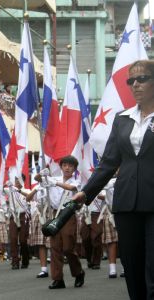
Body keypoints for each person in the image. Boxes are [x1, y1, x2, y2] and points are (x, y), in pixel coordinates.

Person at [72, 60, 154, 299]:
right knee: (133, 266)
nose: (135, 85)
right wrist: (86, 193)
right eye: (131, 81)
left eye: (142, 79)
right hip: (127, 203)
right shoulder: (122, 119)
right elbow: (108, 162)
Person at [36, 155, 85, 289]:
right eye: (65, 165)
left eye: (70, 166)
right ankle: (58, 279)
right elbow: (37, 179)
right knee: (55, 247)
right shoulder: (53, 178)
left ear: (74, 168)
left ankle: (78, 272)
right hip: (54, 214)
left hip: (68, 214)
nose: (67, 168)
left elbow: (71, 188)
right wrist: (42, 174)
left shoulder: (77, 180)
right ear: (61, 167)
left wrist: (53, 182)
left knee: (68, 247)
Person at [4, 176, 30, 270]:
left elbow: (29, 196)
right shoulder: (10, 190)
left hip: (24, 216)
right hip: (13, 216)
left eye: (19, 180)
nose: (17, 182)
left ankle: (25, 260)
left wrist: (17, 190)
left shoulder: (27, 190)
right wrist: (8, 184)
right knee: (13, 238)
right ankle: (15, 262)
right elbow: (1, 189)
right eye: (16, 180)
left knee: (23, 240)